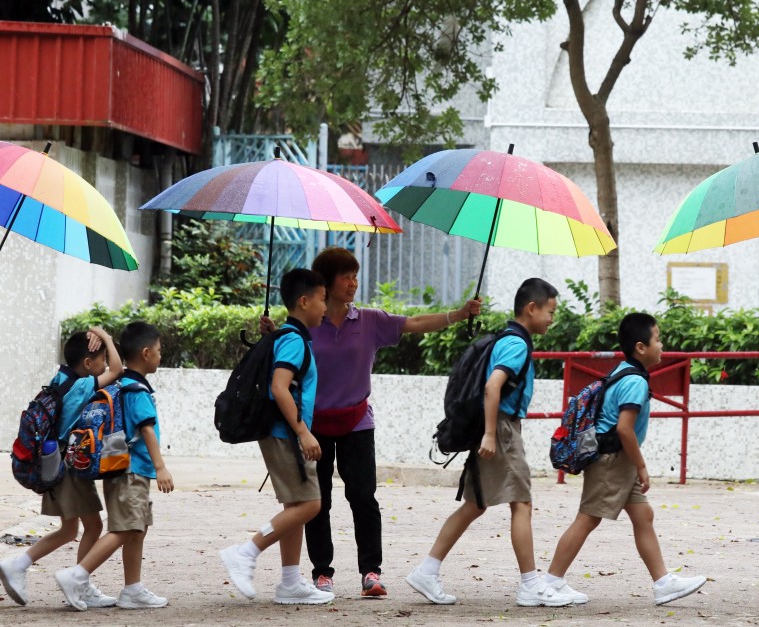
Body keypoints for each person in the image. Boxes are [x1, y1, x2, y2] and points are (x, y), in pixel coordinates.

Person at [261, 247, 480, 597]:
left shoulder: (369, 321)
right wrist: (273, 333)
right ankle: (322, 574)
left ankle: (371, 572)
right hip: (313, 426)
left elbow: (415, 324)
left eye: (355, 276)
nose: (353, 283)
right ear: (326, 284)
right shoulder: (304, 326)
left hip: (357, 421)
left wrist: (458, 313)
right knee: (318, 501)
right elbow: (283, 364)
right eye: (346, 277)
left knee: (364, 497)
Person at [406, 278, 574, 607]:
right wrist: (490, 434)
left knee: (475, 504)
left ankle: (427, 571)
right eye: (550, 311)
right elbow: (493, 386)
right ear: (531, 308)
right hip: (501, 428)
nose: (552, 319)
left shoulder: (509, 338)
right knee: (521, 503)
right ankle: (529, 584)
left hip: (496, 426)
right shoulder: (516, 344)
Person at [542, 312, 709, 606]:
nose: (662, 345)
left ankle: (662, 583)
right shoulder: (635, 382)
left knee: (643, 515)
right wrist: (642, 466)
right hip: (612, 460)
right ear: (641, 347)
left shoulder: (624, 371)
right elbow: (624, 428)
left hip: (618, 460)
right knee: (587, 519)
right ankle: (550, 584)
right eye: (658, 339)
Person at [221, 268, 333, 605]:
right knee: (311, 504)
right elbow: (279, 387)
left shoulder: (288, 335)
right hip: (286, 432)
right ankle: (247, 551)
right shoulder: (294, 340)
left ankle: (289, 583)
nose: (325, 308)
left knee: (296, 504)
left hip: (282, 431)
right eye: (322, 300)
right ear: (304, 301)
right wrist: (303, 432)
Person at [54, 321, 173, 610]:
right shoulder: (136, 390)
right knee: (124, 528)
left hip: (120, 464)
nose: (160, 355)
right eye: (158, 350)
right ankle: (77, 575)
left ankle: (132, 588)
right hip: (132, 468)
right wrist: (161, 467)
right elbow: (146, 429)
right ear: (146, 353)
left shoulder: (122, 385)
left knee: (137, 527)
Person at [0, 328, 122, 608]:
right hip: (70, 467)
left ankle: (20, 566)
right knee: (94, 526)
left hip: (54, 462)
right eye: (100, 359)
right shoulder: (80, 386)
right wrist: (104, 336)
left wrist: (100, 342)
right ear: (89, 364)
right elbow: (117, 369)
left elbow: (109, 366)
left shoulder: (61, 379)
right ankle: (78, 583)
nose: (104, 364)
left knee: (70, 530)